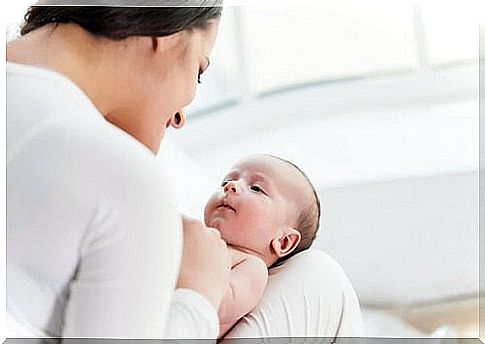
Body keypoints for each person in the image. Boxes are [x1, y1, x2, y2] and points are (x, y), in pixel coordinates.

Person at [6, 1, 231, 339]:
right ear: (165, 36)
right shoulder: (125, 180)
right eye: (198, 70)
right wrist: (197, 299)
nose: (180, 116)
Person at [203, 154, 321, 337]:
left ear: (283, 241)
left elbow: (215, 306)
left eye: (256, 188)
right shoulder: (199, 237)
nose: (230, 186)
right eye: (227, 181)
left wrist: (188, 267)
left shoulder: (251, 268)